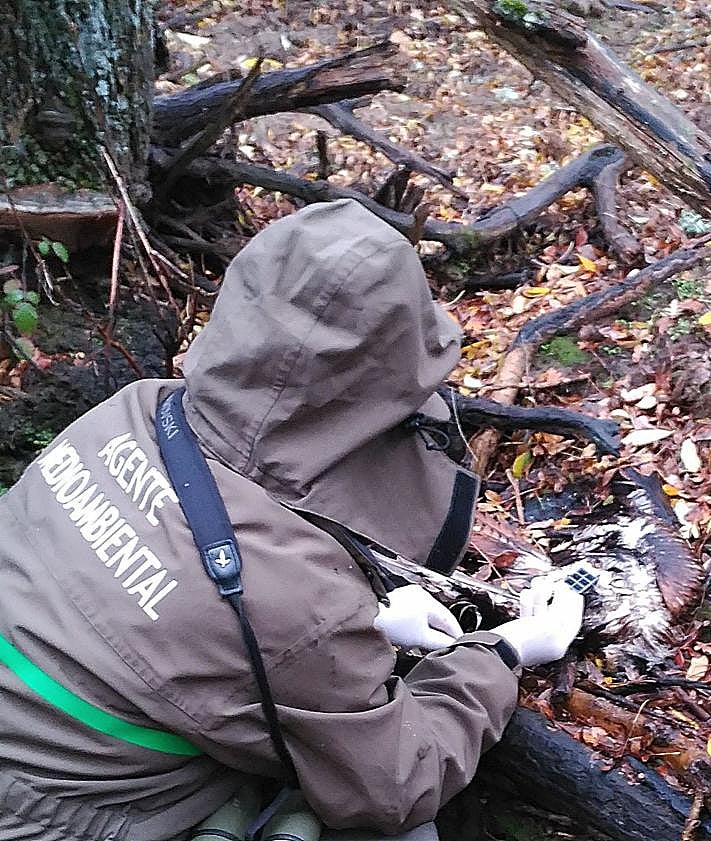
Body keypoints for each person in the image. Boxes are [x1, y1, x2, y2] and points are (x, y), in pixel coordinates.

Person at [0, 199, 583, 841]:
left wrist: (372, 620)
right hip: (54, 818)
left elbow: (191, 579)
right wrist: (505, 652)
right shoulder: (296, 606)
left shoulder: (133, 411)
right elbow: (396, 782)